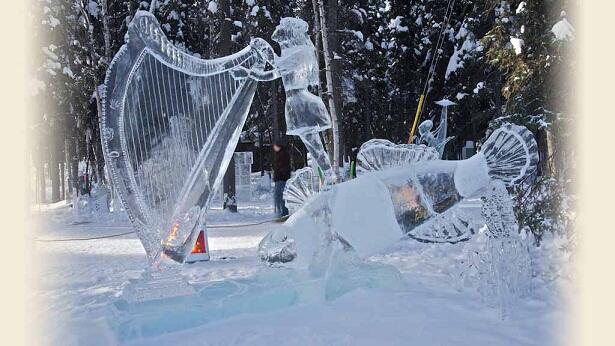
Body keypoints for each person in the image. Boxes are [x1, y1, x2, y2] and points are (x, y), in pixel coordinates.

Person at [231, 18, 336, 185]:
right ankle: (329, 175)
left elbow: (276, 66)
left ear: (289, 31)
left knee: (314, 144)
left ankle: (330, 176)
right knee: (312, 144)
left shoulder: (300, 53)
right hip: (296, 102)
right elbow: (271, 74)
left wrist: (263, 47)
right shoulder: (293, 53)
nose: (277, 29)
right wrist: (248, 72)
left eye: (281, 26)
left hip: (302, 102)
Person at [272, 139, 291, 217]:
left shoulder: (282, 154)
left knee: (279, 196)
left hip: (281, 178)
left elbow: (282, 167)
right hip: (281, 178)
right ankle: (281, 212)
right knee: (279, 196)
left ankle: (282, 212)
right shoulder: (281, 153)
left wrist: (279, 173)